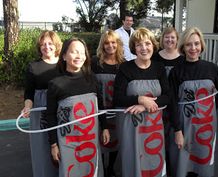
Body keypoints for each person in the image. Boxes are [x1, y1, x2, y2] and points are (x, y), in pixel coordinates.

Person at [46, 38, 110, 177]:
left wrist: (105, 127)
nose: (79, 56)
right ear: (63, 56)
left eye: (82, 53)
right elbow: (50, 115)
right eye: (74, 52)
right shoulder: (55, 84)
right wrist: (53, 144)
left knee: (92, 170)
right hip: (68, 141)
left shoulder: (92, 79)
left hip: (90, 139)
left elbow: (100, 106)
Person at [169, 27, 218, 177]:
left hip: (206, 123)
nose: (193, 48)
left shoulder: (211, 68)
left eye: (196, 44)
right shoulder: (176, 71)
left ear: (201, 45)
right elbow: (172, 102)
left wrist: (211, 108)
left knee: (203, 159)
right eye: (188, 44)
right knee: (184, 161)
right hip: (184, 124)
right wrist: (177, 130)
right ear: (183, 47)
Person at [113, 27, 170, 177]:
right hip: (131, 125)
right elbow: (117, 98)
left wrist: (143, 105)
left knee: (153, 159)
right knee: (133, 160)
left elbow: (167, 96)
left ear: (153, 45)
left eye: (147, 43)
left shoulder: (159, 68)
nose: (144, 48)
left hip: (154, 124)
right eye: (139, 45)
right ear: (134, 48)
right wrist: (140, 99)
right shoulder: (125, 68)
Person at [21, 30, 62, 177]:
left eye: (50, 43)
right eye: (43, 44)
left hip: (62, 109)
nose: (47, 46)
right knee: (44, 147)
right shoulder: (34, 66)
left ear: (56, 45)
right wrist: (27, 107)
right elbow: (29, 93)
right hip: (41, 112)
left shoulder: (65, 64)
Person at [151, 27, 185, 177]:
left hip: (178, 105)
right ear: (162, 39)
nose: (169, 40)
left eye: (172, 37)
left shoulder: (183, 58)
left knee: (175, 140)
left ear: (177, 39)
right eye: (166, 37)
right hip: (159, 104)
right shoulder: (155, 58)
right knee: (159, 140)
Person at [91, 29, 124, 177]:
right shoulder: (95, 63)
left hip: (116, 109)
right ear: (102, 45)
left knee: (114, 138)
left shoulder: (124, 64)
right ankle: (101, 168)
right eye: (106, 43)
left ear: (118, 44)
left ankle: (110, 167)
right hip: (99, 107)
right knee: (100, 138)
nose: (110, 45)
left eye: (113, 42)